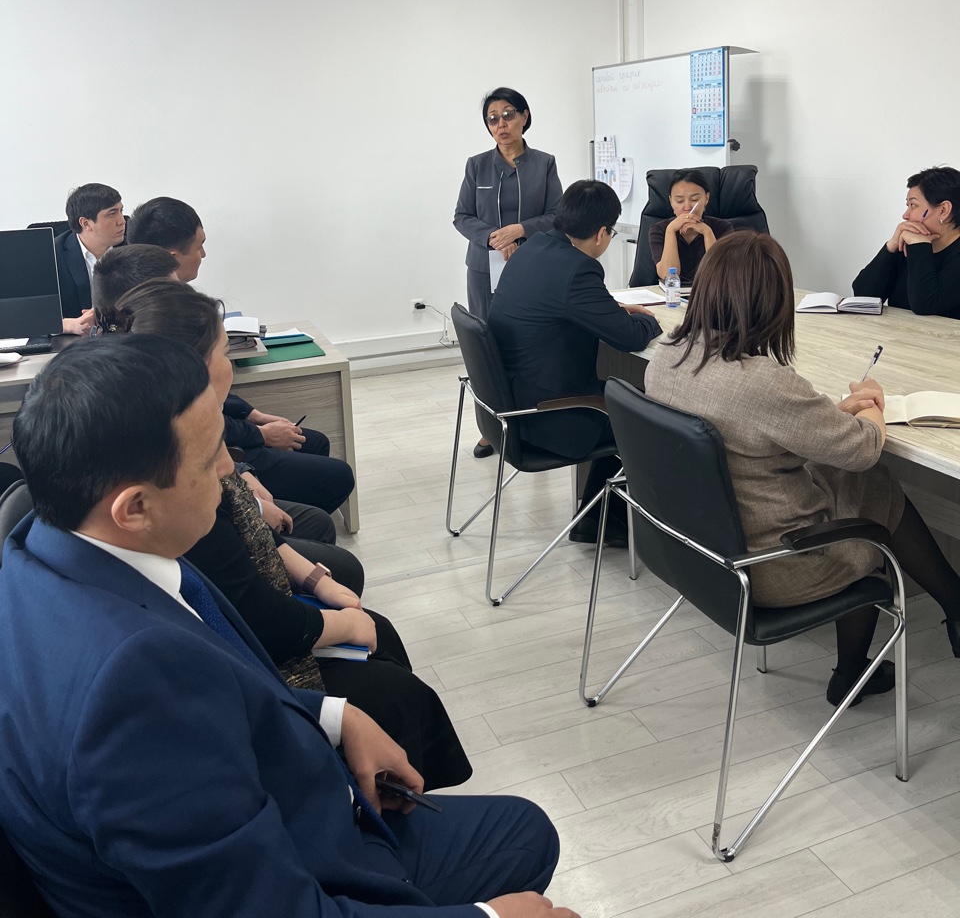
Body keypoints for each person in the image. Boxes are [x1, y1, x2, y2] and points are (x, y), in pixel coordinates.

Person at [0, 335, 567, 918]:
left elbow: (221, 690)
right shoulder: (132, 684)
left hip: (280, 796)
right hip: (302, 862)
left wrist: (333, 716)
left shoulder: (47, 545)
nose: (230, 469)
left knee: (521, 828)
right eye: (210, 457)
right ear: (135, 507)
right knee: (526, 840)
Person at [104, 278, 470, 789]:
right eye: (223, 352)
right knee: (395, 687)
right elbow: (252, 615)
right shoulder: (173, 482)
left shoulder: (183, 435)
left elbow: (244, 524)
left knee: (373, 628)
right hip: (251, 662)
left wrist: (316, 582)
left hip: (250, 629)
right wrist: (341, 625)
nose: (226, 470)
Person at [644, 230, 960, 705]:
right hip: (770, 566)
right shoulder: (762, 382)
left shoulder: (669, 354)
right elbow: (864, 448)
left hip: (696, 550)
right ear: (774, 303)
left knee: (863, 481)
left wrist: (832, 412)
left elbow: (757, 429)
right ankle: (855, 671)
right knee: (871, 499)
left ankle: (954, 603)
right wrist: (872, 403)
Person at [93, 246, 362, 590]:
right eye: (223, 353)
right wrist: (255, 501)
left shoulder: (155, 399)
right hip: (228, 555)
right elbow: (235, 577)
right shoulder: (171, 452)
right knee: (334, 543)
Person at [128, 194, 355, 513]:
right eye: (199, 246)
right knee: (335, 475)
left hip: (218, 433)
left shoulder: (157, 298)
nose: (204, 255)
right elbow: (194, 415)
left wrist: (252, 414)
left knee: (315, 443)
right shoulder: (160, 320)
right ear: (172, 256)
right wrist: (260, 434)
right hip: (208, 449)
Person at [488, 180, 661, 545]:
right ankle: (607, 522)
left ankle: (598, 519)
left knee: (627, 397)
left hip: (507, 408)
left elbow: (560, 304)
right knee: (650, 415)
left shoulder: (534, 247)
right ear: (601, 233)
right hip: (549, 416)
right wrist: (650, 320)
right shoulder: (578, 269)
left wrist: (609, 310)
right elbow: (630, 338)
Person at [454, 88, 562, 457]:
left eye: (508, 114)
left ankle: (530, 421)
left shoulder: (544, 163)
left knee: (531, 344)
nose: (501, 124)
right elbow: (462, 217)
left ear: (524, 117)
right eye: (493, 118)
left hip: (531, 266)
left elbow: (558, 215)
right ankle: (490, 428)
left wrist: (520, 230)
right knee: (486, 347)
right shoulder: (477, 165)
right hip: (484, 269)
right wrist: (494, 238)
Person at [852, 165, 960, 319]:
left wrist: (920, 246)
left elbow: (926, 306)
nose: (905, 215)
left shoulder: (918, 245)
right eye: (907, 206)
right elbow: (863, 295)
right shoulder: (908, 243)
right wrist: (891, 246)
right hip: (896, 332)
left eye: (913, 205)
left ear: (943, 210)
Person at [55, 182, 126, 334]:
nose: (122, 221)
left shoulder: (132, 249)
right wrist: (66, 325)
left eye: (121, 211)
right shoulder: (53, 255)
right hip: (71, 341)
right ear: (86, 223)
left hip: (121, 337)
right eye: (112, 214)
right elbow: (29, 314)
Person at [648, 168, 734, 284]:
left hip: (710, 292)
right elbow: (667, 275)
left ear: (706, 198)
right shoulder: (659, 230)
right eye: (679, 201)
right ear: (671, 202)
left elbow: (721, 273)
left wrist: (707, 232)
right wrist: (670, 230)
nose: (687, 207)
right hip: (673, 293)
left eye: (694, 199)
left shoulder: (723, 227)